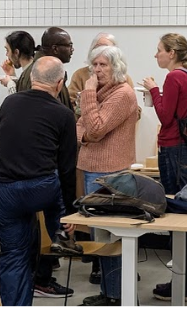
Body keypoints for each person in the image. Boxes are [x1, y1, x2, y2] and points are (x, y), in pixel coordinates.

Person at [0, 56, 80, 306]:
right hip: (40, 188)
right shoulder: (63, 114)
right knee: (53, 187)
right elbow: (67, 168)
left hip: (4, 188)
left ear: (31, 79)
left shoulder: (9, 102)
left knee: (13, 254)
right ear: (60, 83)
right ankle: (60, 233)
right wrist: (69, 211)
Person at [141, 33, 187, 301]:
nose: (155, 54)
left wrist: (153, 90)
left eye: (159, 50)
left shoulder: (174, 78)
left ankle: (184, 284)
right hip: (186, 148)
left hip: (173, 148)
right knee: (186, 215)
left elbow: (165, 116)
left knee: (177, 217)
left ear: (171, 53)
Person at [75, 45, 138, 307]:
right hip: (93, 168)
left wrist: (88, 94)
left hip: (108, 172)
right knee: (99, 236)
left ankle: (115, 296)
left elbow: (97, 128)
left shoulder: (122, 94)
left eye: (103, 65)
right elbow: (81, 126)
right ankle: (109, 292)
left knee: (108, 238)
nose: (97, 70)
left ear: (116, 67)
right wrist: (86, 134)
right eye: (95, 65)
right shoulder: (102, 94)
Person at [16, 26, 74, 108]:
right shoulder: (41, 73)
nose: (72, 49)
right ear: (55, 49)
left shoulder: (48, 70)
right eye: (69, 45)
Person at [67, 31, 117, 105]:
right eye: (98, 47)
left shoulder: (122, 78)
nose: (100, 51)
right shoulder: (80, 75)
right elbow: (70, 102)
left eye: (106, 48)